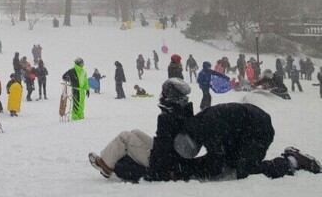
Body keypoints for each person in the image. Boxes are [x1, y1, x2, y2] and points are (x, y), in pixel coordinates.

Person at [175, 103, 321, 179]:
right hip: (245, 128)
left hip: (258, 131)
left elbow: (215, 164)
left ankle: (293, 161)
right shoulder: (196, 124)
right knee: (230, 161)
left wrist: (186, 171)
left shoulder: (207, 131)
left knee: (246, 170)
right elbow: (218, 155)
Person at [88, 78, 194, 182]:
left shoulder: (168, 116)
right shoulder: (184, 109)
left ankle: (105, 165)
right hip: (172, 156)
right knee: (135, 132)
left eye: (165, 92)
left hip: (161, 162)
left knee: (124, 137)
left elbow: (164, 144)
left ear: (170, 94)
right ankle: (117, 158)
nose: (162, 94)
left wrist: (156, 160)